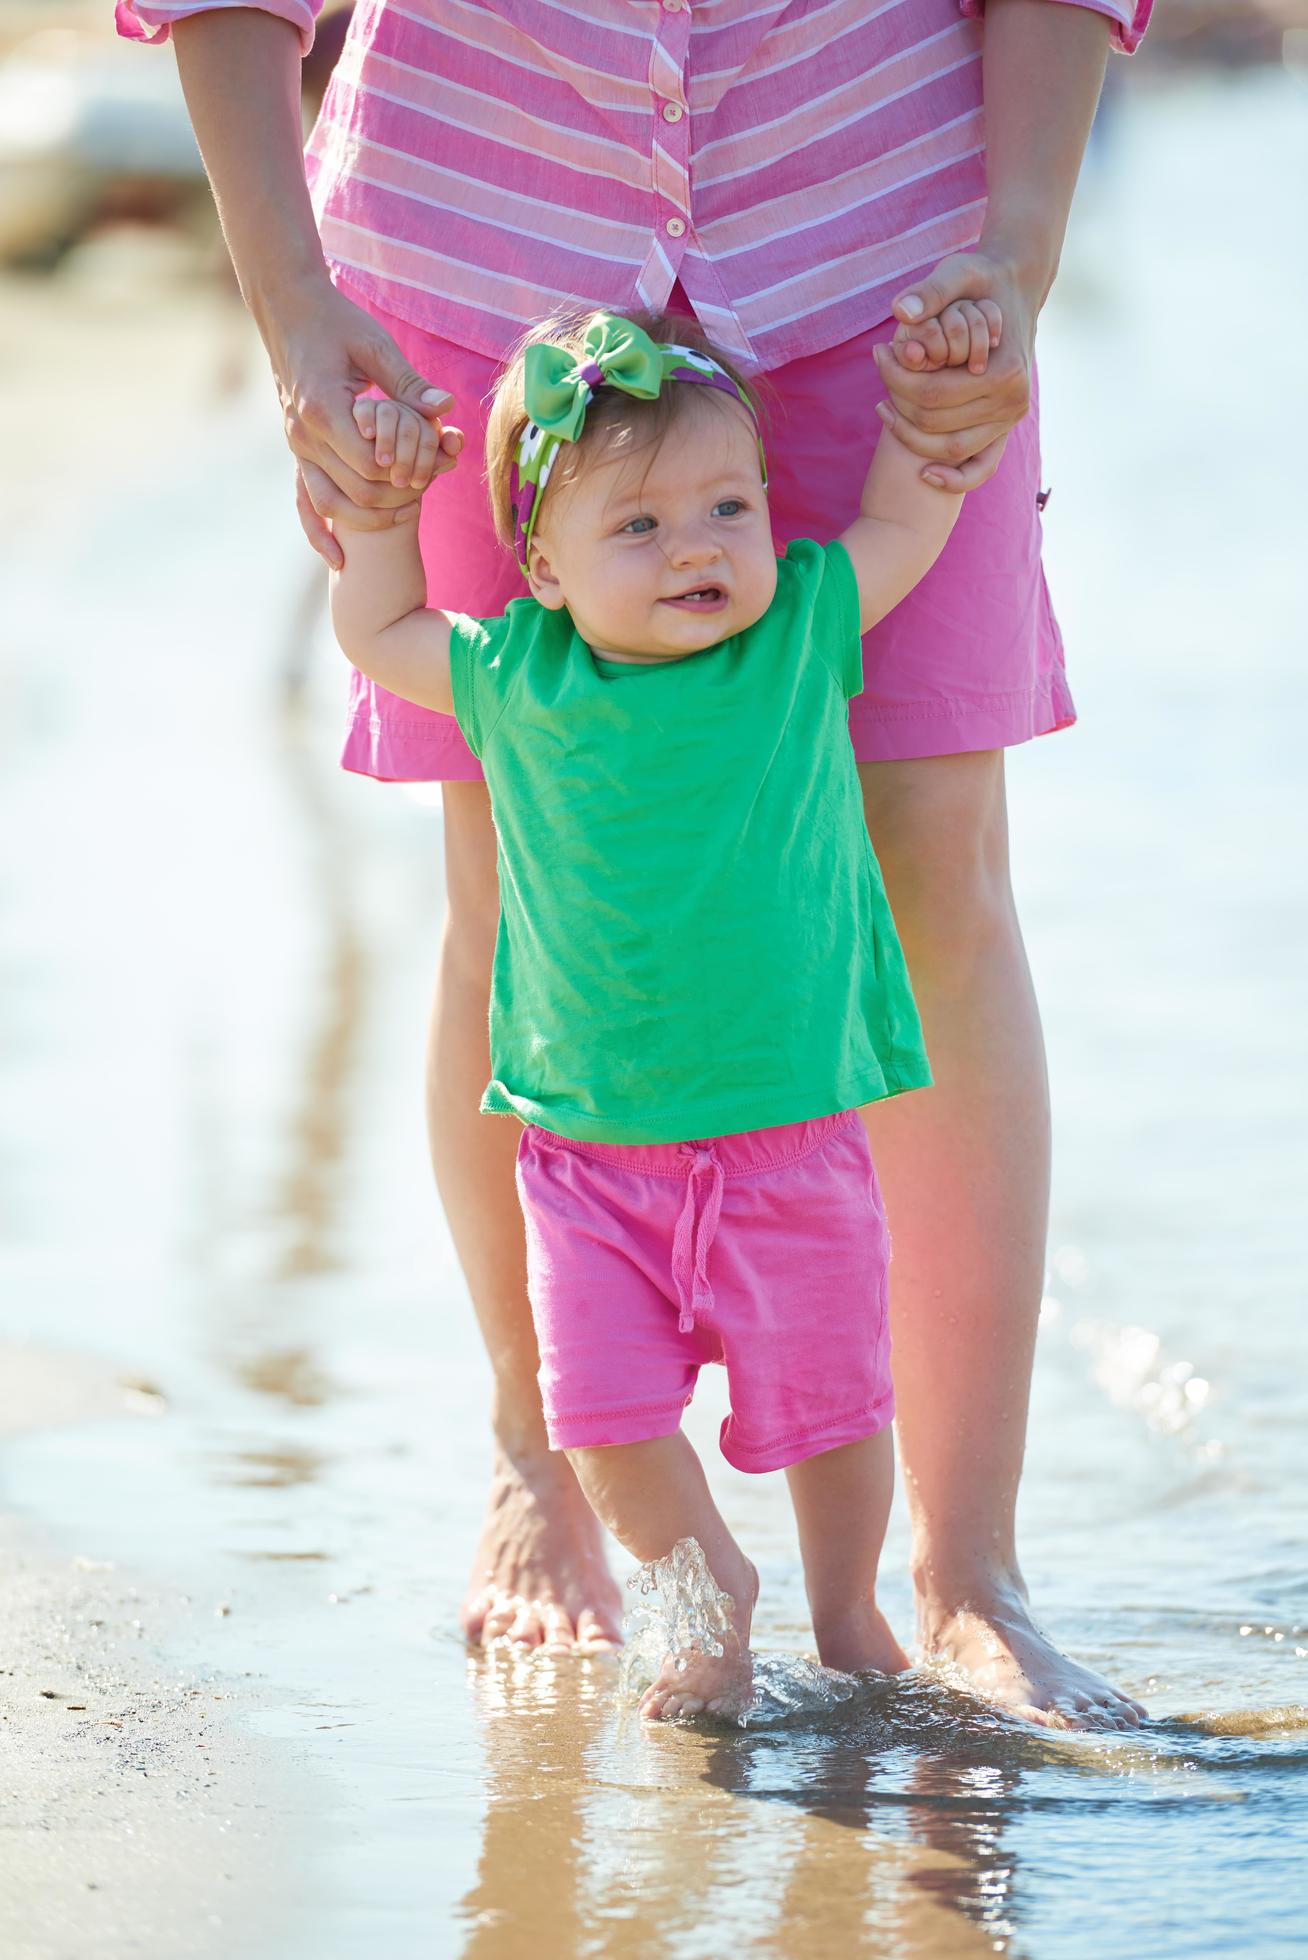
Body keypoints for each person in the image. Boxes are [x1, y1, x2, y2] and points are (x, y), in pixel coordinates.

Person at [126, 0, 1150, 1726]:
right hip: (469, 239)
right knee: (511, 887)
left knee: (937, 888)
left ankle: (968, 1571)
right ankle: (551, 1458)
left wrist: (1018, 252)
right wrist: (294, 302)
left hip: (884, 246)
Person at [330, 304, 1008, 1719]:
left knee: (835, 1416)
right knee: (604, 1424)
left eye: (727, 506)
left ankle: (847, 1608)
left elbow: (902, 527)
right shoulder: (517, 674)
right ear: (542, 567)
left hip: (794, 1144)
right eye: (637, 526)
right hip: (585, 1161)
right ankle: (702, 1587)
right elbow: (380, 623)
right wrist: (387, 509)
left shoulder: (797, 632)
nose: (698, 545)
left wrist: (922, 423)